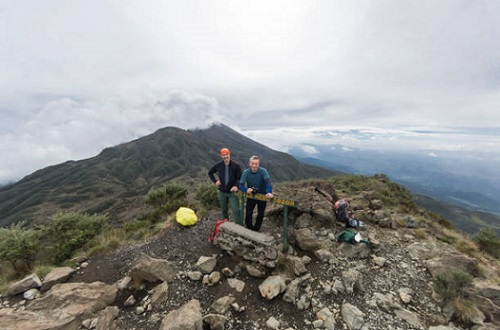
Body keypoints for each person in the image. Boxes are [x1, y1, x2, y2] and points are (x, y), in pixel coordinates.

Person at [208, 148, 243, 224]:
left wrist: (237, 186)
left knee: (236, 210)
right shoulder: (218, 165)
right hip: (222, 191)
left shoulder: (236, 165)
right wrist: (215, 181)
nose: (225, 156)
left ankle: (240, 226)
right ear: (221, 156)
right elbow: (210, 173)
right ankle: (226, 224)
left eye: (226, 154)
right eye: (223, 155)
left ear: (229, 155)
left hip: (233, 192)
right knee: (224, 210)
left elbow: (241, 178)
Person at [239, 155, 273, 231]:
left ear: (259, 164)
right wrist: (246, 190)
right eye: (253, 163)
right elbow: (240, 185)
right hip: (251, 194)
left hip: (262, 194)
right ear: (249, 163)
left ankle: (256, 229)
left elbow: (268, 182)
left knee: (261, 213)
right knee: (248, 212)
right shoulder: (246, 172)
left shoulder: (263, 171)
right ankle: (249, 227)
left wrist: (269, 192)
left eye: (256, 164)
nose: (254, 166)